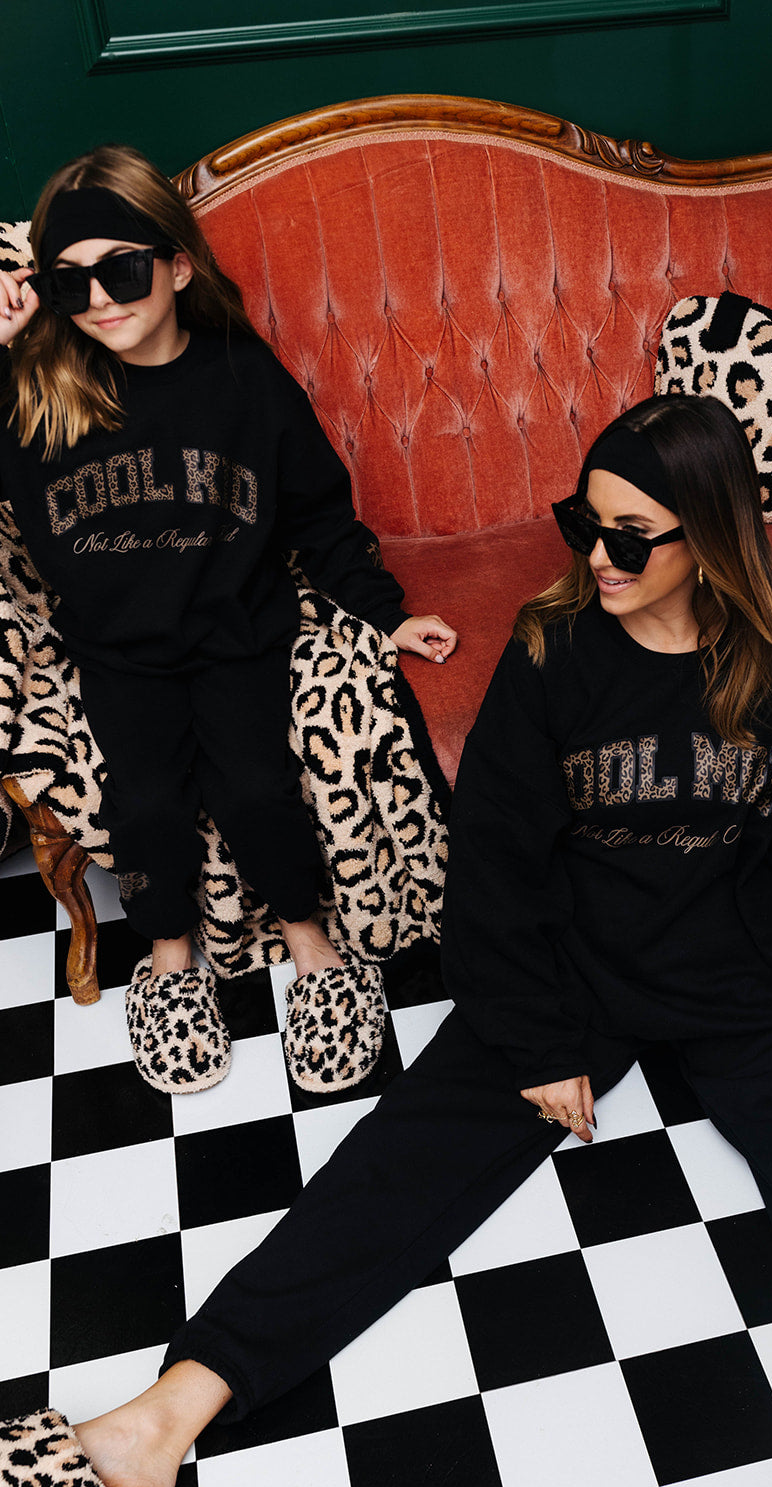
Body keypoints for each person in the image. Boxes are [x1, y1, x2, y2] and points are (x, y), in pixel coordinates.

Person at [1, 394, 772, 1487]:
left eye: (629, 536)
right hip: (580, 969)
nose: (595, 558)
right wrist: (542, 1033)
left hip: (753, 985)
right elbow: (495, 865)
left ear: (709, 537)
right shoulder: (555, 646)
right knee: (400, 1161)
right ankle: (150, 1430)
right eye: (584, 523)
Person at [0, 144, 456, 1093]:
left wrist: (383, 614)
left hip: (238, 630)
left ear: (176, 263)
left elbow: (318, 511)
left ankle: (311, 945)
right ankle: (167, 959)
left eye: (120, 270)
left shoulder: (244, 380)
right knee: (151, 802)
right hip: (117, 647)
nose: (98, 302)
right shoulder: (34, 389)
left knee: (255, 789)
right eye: (68, 282)